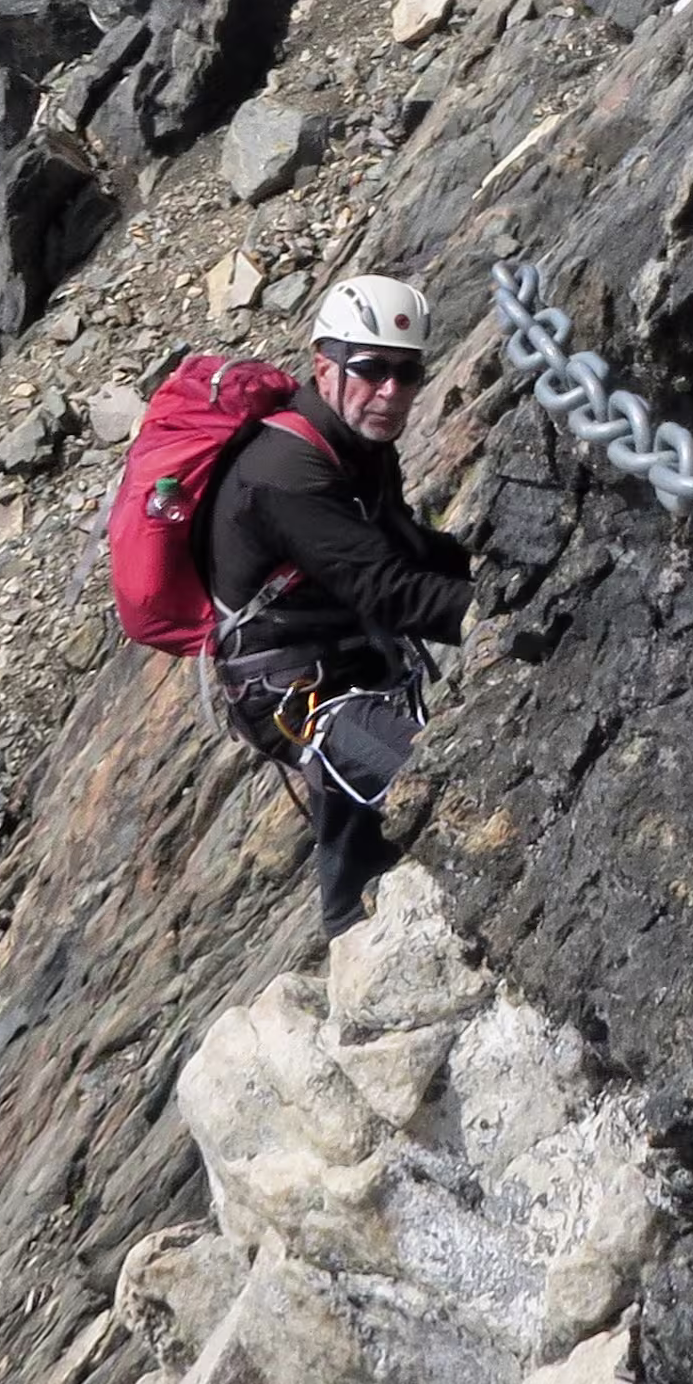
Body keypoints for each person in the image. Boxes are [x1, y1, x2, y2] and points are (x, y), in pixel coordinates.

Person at [205, 275, 478, 933]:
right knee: (421, 776)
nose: (391, 391)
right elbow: (386, 588)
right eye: (372, 369)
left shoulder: (359, 444)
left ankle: (355, 920)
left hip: (342, 658)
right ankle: (353, 932)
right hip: (291, 689)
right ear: (324, 366)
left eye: (408, 373)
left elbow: (403, 543)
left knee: (372, 797)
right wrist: (485, 611)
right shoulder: (285, 472)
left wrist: (491, 566)